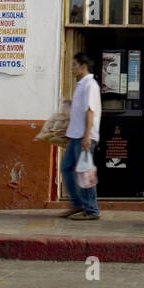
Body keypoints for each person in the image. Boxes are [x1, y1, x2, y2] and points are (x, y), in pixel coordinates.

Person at [59, 53, 101, 221]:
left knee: (85, 172)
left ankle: (92, 209)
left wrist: (86, 136)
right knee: (67, 167)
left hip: (85, 136)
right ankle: (78, 203)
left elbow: (90, 111)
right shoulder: (81, 85)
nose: (72, 68)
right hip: (76, 135)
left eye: (74, 65)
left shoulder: (90, 85)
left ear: (83, 66)